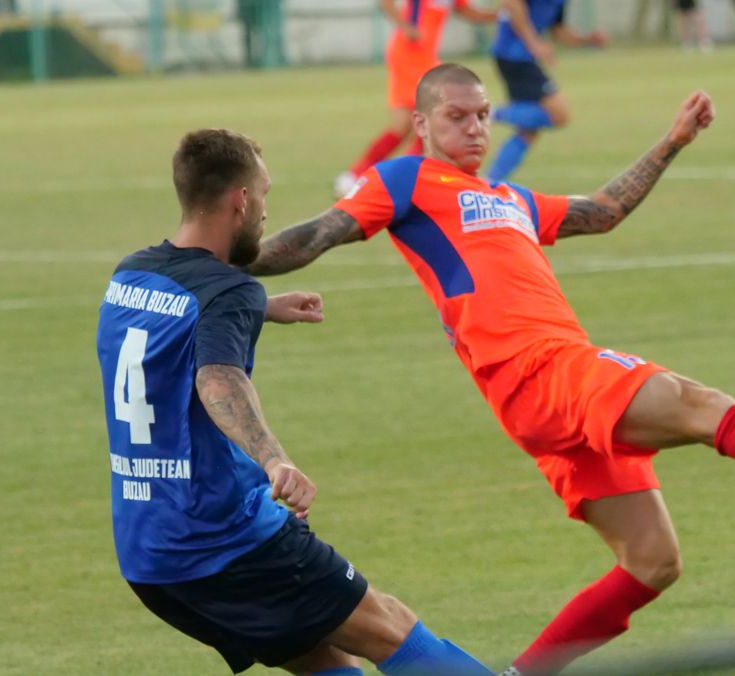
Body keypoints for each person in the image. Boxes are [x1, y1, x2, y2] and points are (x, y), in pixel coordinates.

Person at [247, 65, 735, 674]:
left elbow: (603, 211)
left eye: (484, 115)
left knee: (653, 561)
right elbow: (315, 235)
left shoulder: (511, 200)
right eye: (457, 116)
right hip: (539, 370)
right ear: (421, 123)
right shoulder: (404, 179)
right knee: (699, 405)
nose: (475, 127)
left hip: (549, 392)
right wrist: (218, 263)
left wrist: (671, 143)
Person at [96, 128, 493, 676]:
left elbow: (172, 332)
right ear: (240, 199)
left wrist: (258, 307)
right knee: (392, 629)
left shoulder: (132, 274)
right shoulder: (227, 292)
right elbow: (217, 378)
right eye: (263, 194)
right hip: (222, 540)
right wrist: (273, 457)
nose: (263, 210)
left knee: (323, 660)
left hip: (149, 554)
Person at [334, 0, 497, 197]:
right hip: (408, 53)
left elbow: (466, 12)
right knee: (411, 124)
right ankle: (356, 176)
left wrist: (500, 16)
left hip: (427, 58)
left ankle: (403, 180)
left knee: (426, 125)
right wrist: (405, 26)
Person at [485, 0, 606, 182]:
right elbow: (512, 3)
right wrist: (534, 43)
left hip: (522, 57)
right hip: (513, 55)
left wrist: (587, 39)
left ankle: (492, 181)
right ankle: (489, 114)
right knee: (559, 115)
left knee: (528, 130)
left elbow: (558, 30)